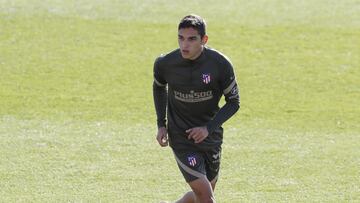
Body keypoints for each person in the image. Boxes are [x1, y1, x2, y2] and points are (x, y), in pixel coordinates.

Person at [153, 14, 240, 203]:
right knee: (206, 196)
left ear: (204, 40)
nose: (185, 45)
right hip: (181, 136)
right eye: (181, 38)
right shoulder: (165, 63)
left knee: (202, 195)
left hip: (211, 137)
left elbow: (234, 102)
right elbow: (159, 86)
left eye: (192, 39)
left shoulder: (220, 65)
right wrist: (161, 124)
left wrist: (208, 128)